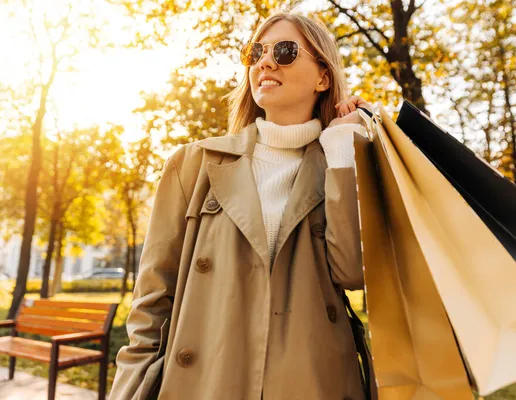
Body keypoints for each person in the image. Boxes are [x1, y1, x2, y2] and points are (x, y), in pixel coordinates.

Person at [109, 10, 376, 400]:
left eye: (285, 51)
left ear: (323, 76)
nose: (265, 62)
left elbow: (352, 272)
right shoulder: (193, 164)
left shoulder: (341, 164)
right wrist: (130, 390)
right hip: (206, 383)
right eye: (256, 52)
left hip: (312, 383)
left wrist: (342, 148)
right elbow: (151, 300)